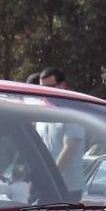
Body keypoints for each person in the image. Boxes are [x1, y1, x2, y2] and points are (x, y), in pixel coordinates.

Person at [38, 67, 85, 199]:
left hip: (68, 187)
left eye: (50, 87)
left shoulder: (73, 113)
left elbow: (69, 149)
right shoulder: (41, 113)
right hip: (46, 185)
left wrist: (51, 177)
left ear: (63, 85)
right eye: (42, 88)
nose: (45, 92)